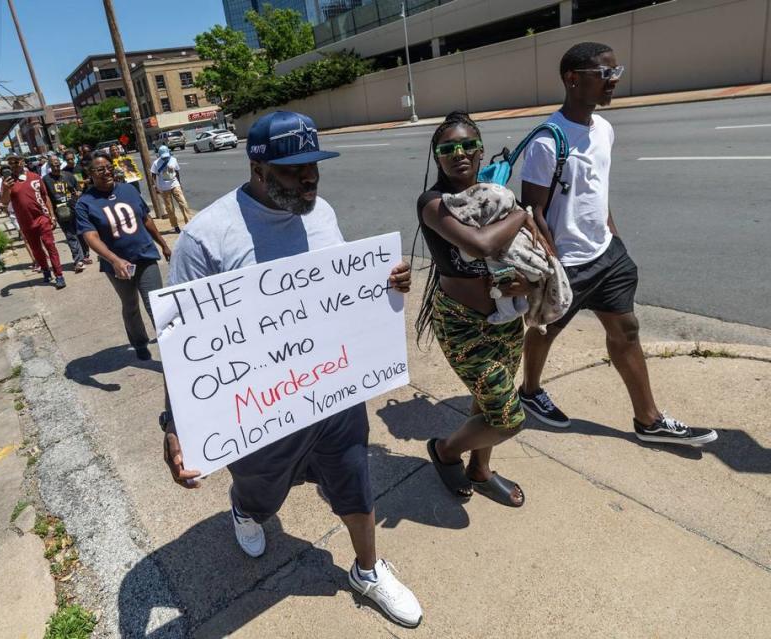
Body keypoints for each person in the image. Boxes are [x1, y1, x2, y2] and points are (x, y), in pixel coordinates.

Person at [161, 111, 422, 628]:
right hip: (259, 410)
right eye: (294, 170)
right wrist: (175, 428)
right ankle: (245, 508)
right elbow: (179, 344)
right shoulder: (205, 238)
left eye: (315, 168)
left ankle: (367, 569)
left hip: (333, 391)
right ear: (258, 169)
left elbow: (335, 288)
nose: (309, 179)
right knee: (262, 492)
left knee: (353, 477)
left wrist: (385, 285)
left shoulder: (318, 210)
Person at [519, 42, 717, 446]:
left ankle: (649, 421)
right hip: (567, 263)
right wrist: (553, 265)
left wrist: (614, 237)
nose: (614, 82)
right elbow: (533, 211)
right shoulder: (546, 141)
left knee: (626, 329)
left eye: (616, 73)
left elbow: (597, 191)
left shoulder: (604, 129)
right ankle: (530, 392)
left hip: (607, 255)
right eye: (604, 74)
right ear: (573, 79)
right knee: (544, 330)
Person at [416, 112, 540, 508]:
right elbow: (481, 246)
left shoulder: (493, 195)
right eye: (448, 148)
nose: (459, 154)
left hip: (504, 319)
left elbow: (531, 253)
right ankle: (446, 451)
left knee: (486, 400)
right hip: (461, 323)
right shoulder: (433, 203)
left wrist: (528, 282)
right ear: (437, 157)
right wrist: (523, 213)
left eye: (468, 145)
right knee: (508, 418)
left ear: (481, 150)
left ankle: (480, 470)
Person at [75, 153, 171, 360]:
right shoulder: (85, 203)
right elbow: (90, 237)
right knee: (130, 305)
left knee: (156, 304)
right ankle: (139, 343)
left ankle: (173, 349)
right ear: (90, 174)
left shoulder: (128, 189)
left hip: (145, 255)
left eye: (109, 167)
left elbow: (146, 219)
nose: (107, 171)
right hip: (117, 265)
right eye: (100, 169)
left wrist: (163, 244)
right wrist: (114, 260)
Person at [0, 152, 66, 289]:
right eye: (10, 163)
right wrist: (6, 188)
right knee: (36, 250)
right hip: (26, 222)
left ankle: (59, 275)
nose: (13, 165)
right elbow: (5, 202)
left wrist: (51, 215)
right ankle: (46, 270)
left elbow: (45, 196)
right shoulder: (7, 182)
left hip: (42, 218)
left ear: (22, 162)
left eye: (16, 162)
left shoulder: (35, 177)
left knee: (50, 245)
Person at [43, 156, 92, 273]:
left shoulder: (68, 175)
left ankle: (85, 255)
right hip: (61, 212)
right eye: (53, 165)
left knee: (80, 233)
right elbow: (46, 197)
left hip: (74, 207)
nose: (56, 167)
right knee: (70, 235)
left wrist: (78, 193)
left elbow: (79, 188)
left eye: (57, 165)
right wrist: (51, 214)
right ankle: (78, 260)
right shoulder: (46, 179)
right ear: (49, 166)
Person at [150, 145, 190, 233]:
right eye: (163, 157)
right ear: (159, 155)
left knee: (183, 204)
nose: (165, 158)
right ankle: (175, 225)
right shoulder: (156, 163)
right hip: (164, 188)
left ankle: (189, 223)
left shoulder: (173, 160)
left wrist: (179, 183)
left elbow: (177, 171)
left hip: (175, 184)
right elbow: (153, 175)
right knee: (170, 208)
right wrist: (155, 186)